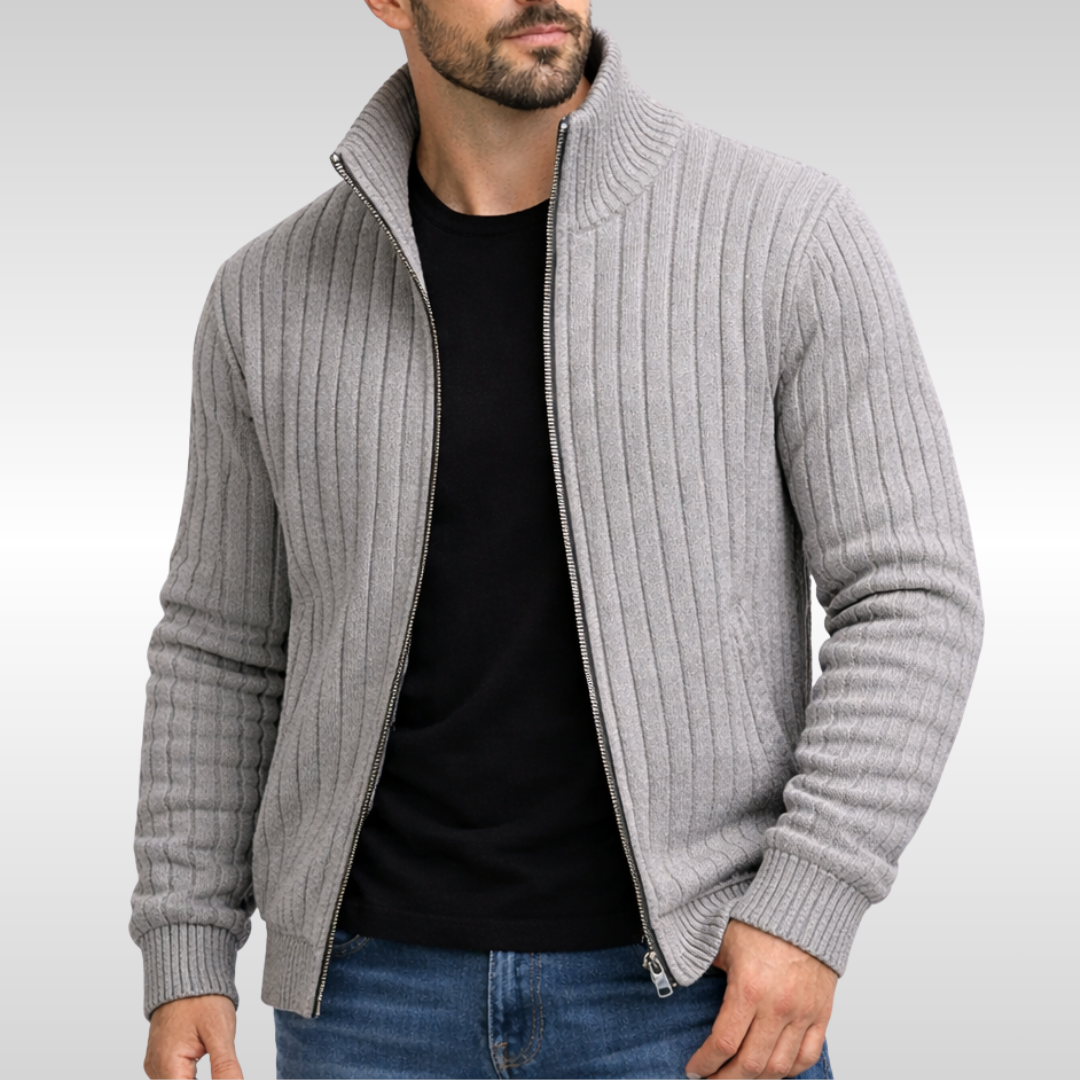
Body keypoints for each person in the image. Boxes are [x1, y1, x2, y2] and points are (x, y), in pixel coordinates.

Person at [130, 2, 983, 1077]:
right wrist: (188, 943)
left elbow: (912, 595)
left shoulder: (783, 230)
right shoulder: (267, 296)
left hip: (691, 996)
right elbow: (222, 647)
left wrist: (808, 903)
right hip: (366, 1006)